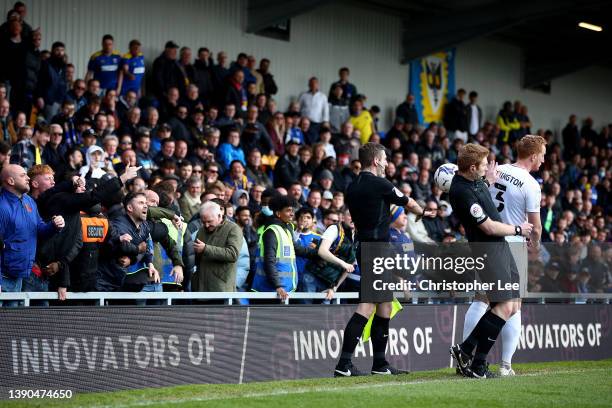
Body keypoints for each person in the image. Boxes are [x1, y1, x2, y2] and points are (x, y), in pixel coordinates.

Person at [334, 142, 434, 376]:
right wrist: (424, 213)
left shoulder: (352, 186)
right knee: (367, 305)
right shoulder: (380, 184)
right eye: (385, 159)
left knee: (385, 305)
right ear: (376, 161)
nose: (388, 163)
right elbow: (406, 201)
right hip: (376, 250)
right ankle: (344, 364)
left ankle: (380, 364)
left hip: (366, 247)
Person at [459, 135, 546, 376]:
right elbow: (536, 226)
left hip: (486, 241)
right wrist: (535, 245)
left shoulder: (498, 169)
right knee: (513, 305)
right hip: (512, 242)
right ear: (533, 155)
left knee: (482, 299)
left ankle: (465, 359)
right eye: (542, 155)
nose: (544, 160)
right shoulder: (530, 184)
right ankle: (505, 364)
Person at [0, 164, 65, 305]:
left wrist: (54, 226)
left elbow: (39, 229)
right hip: (4, 278)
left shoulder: (29, 201)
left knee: (11, 325)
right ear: (10, 181)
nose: (28, 178)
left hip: (19, 276)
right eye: (23, 175)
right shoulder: (2, 206)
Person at [251, 194, 317, 302]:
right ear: (278, 213)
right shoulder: (271, 231)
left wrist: (318, 253)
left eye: (292, 210)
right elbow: (269, 261)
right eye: (288, 211)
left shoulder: (287, 228)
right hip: (270, 291)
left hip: (283, 290)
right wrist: (278, 286)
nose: (292, 214)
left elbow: (298, 249)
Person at [192, 200, 243, 293]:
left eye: (209, 221)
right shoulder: (201, 231)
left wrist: (205, 249)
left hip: (220, 288)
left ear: (219, 215)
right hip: (199, 287)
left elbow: (233, 254)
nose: (206, 225)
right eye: (203, 222)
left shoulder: (233, 229)